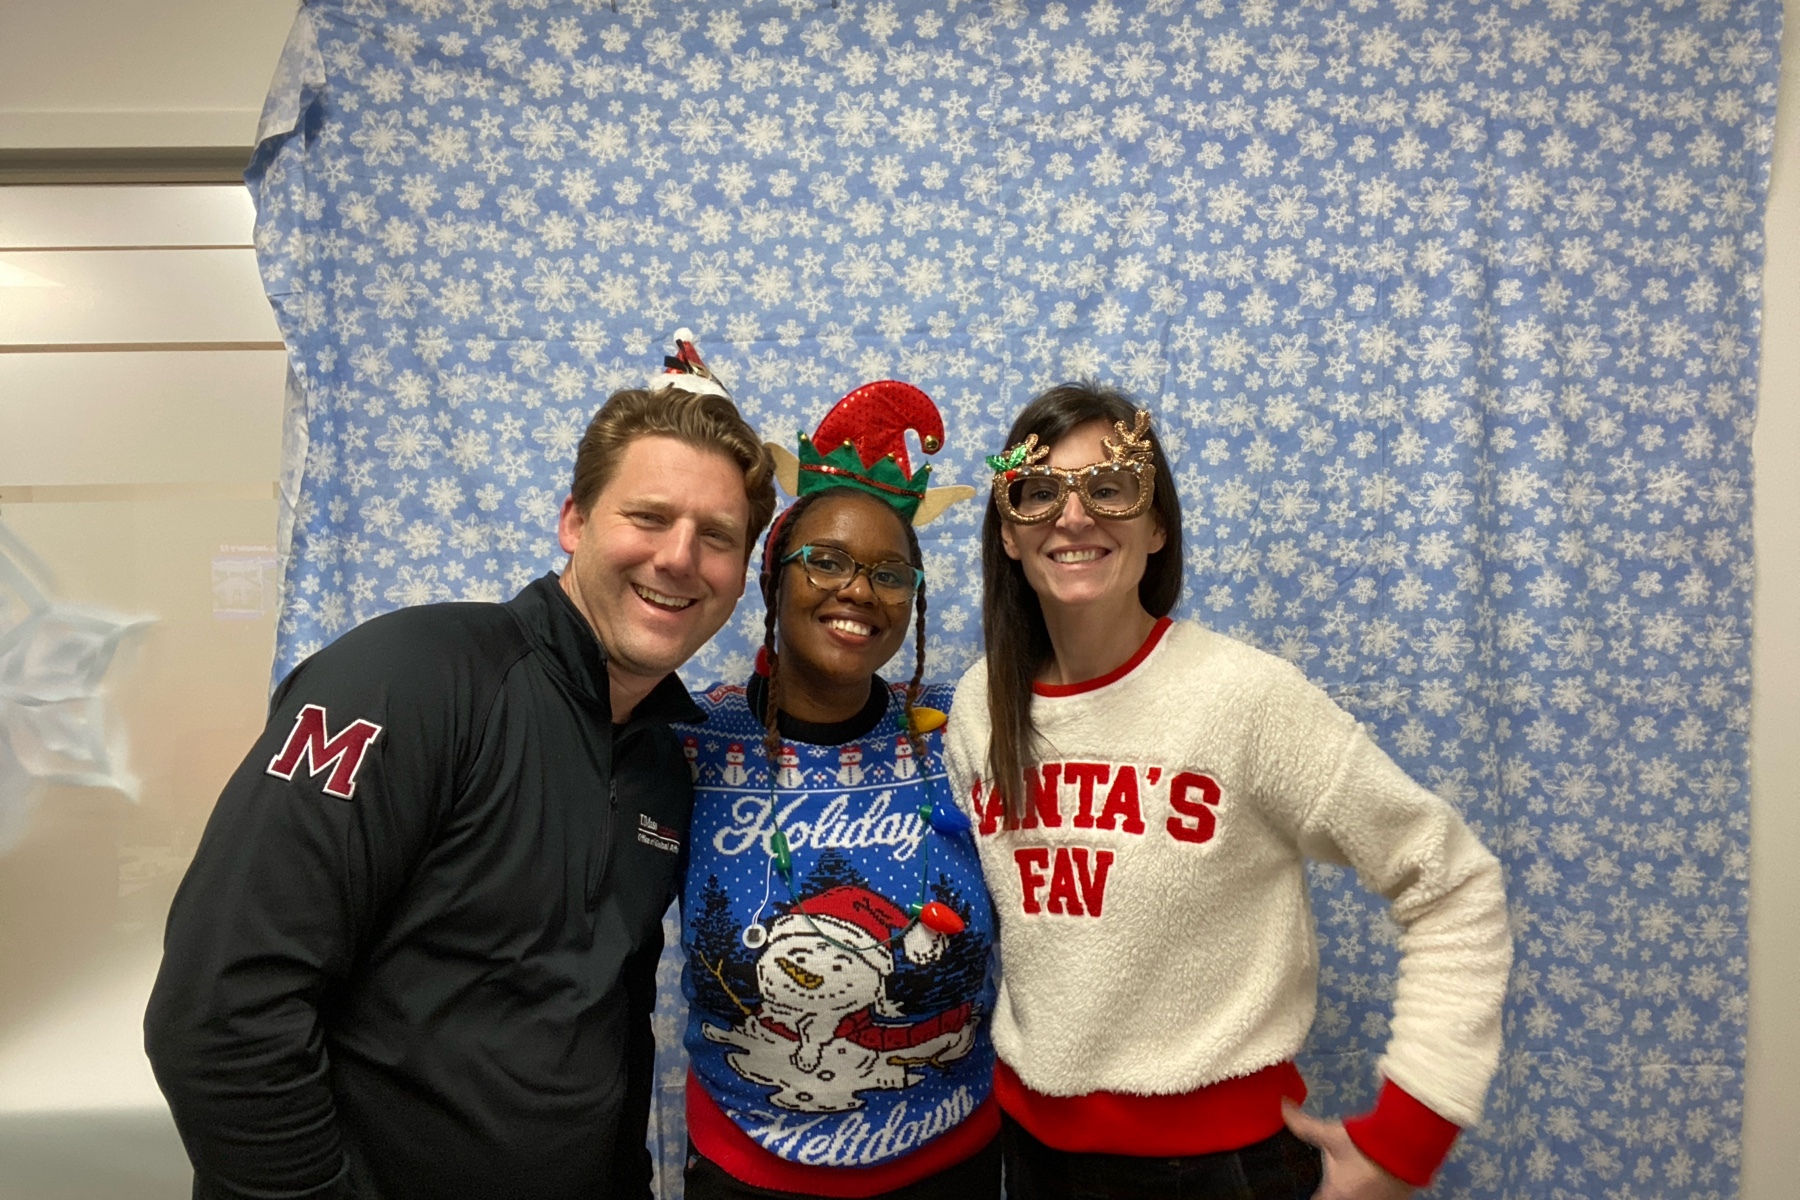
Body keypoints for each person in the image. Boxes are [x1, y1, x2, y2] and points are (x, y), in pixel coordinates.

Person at [144, 335, 777, 1200]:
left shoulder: (666, 762)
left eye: (717, 537)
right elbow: (220, 1013)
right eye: (648, 516)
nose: (678, 557)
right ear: (575, 521)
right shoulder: (404, 680)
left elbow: (609, 1031)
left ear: (740, 576)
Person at [942, 382, 1512, 1200]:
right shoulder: (979, 706)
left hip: (1216, 1169)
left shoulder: (1244, 697)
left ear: (1157, 525)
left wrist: (1407, 1140)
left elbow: (1452, 880)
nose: (1073, 517)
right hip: (1030, 1155)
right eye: (1038, 493)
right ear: (1007, 531)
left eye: (1110, 487)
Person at [676, 381, 1001, 1200]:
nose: (857, 590)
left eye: (889, 573)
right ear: (772, 580)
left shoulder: (961, 730)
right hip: (750, 1172)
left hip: (950, 1163)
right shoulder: (691, 743)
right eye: (825, 561)